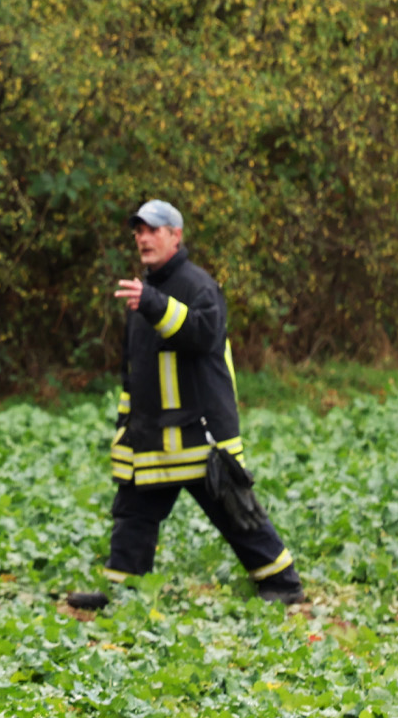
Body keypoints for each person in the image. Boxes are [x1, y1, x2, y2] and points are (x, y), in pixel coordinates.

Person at [66, 200, 303, 611]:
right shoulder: (143, 292)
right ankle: (123, 595)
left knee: (232, 509)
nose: (143, 238)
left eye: (152, 230)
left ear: (176, 236)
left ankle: (282, 582)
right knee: (133, 514)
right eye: (138, 231)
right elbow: (135, 370)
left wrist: (154, 304)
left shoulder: (198, 286)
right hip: (152, 433)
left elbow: (203, 335)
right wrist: (127, 424)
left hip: (199, 432)